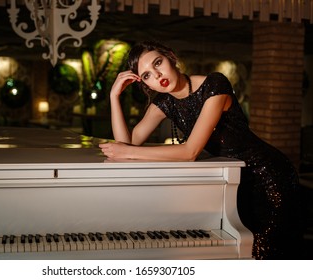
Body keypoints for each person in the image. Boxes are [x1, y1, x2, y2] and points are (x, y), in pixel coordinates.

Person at [99, 40, 303, 259]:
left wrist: (127, 152)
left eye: (158, 63)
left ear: (171, 57)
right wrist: (114, 97)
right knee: (244, 253)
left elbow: (190, 152)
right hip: (233, 179)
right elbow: (127, 144)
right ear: (146, 84)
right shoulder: (165, 102)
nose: (157, 76)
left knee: (268, 253)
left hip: (267, 175)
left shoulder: (215, 85)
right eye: (147, 75)